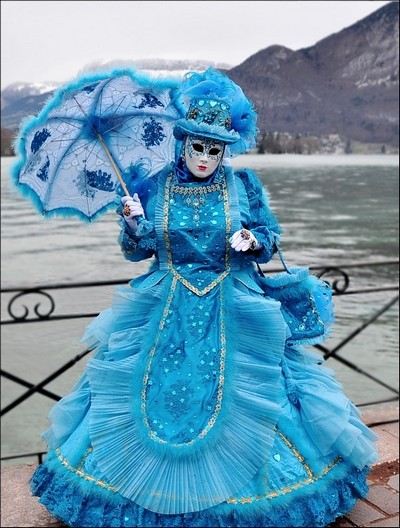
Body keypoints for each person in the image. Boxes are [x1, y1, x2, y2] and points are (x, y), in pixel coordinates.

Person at [30, 68, 378, 527]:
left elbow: (270, 236)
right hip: (166, 302)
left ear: (224, 150)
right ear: (183, 142)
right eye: (198, 146)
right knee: (143, 388)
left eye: (215, 149)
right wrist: (134, 223)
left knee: (257, 389)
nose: (206, 157)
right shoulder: (154, 187)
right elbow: (140, 252)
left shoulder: (243, 185)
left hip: (233, 301)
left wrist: (252, 240)